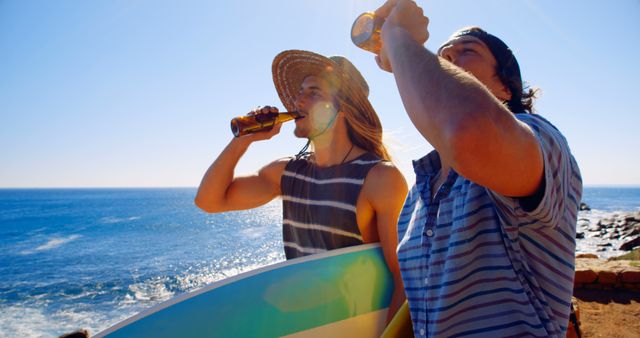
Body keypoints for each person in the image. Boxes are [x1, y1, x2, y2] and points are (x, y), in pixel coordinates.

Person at [371, 0, 583, 337]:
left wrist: (396, 35)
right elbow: (424, 309)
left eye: (467, 50)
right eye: (442, 55)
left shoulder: (543, 139)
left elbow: (467, 130)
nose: (448, 57)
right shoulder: (417, 195)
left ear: (505, 87)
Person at [195, 50, 408, 321]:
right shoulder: (287, 172)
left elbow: (404, 277)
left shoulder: (380, 179)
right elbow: (209, 201)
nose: (298, 100)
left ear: (342, 109)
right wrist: (243, 139)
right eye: (300, 91)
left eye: (314, 92)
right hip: (304, 324)